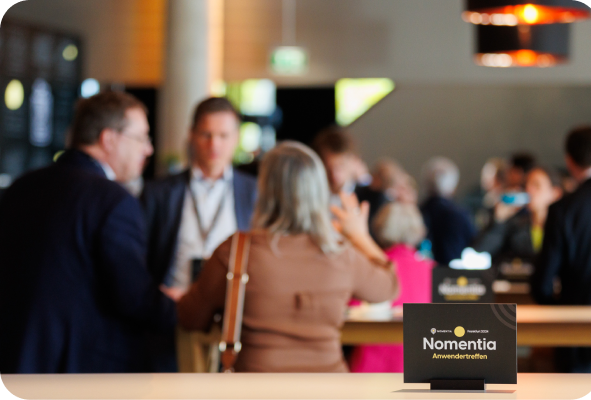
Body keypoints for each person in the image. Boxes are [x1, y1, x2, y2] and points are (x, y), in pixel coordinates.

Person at [177, 141, 398, 372]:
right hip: (330, 385)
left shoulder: (236, 251)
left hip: (256, 386)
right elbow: (390, 287)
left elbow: (190, 318)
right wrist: (360, 237)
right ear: (319, 192)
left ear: (263, 190)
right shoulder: (341, 255)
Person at [0, 91, 176, 373]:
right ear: (109, 139)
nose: (148, 150)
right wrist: (180, 307)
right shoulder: (114, 201)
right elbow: (134, 300)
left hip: (15, 359)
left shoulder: (21, 188)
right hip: (79, 373)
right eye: (141, 138)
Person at [140, 97, 257, 371]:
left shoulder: (254, 192)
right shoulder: (159, 192)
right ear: (192, 135)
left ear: (236, 138)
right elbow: (140, 254)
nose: (214, 144)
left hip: (232, 319)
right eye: (206, 134)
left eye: (223, 136)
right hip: (171, 314)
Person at [532, 126, 591, 373]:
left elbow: (542, 285)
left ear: (569, 160)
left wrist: (560, 310)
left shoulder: (563, 210)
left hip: (577, 334)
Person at [350, 202, 434, 373]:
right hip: (423, 367)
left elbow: (351, 311)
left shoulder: (370, 267)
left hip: (371, 367)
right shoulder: (433, 270)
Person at [474, 166, 562, 277]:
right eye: (527, 185)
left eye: (536, 185)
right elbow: (481, 250)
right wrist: (499, 219)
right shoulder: (515, 225)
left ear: (555, 193)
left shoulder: (563, 229)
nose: (529, 190)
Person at [312, 126, 387, 225]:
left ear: (353, 161)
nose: (335, 176)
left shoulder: (374, 198)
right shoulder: (312, 200)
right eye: (328, 169)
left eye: (341, 166)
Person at [420, 157, 476, 265]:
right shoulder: (460, 215)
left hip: (424, 272)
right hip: (454, 273)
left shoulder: (418, 213)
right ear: (453, 186)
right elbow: (474, 245)